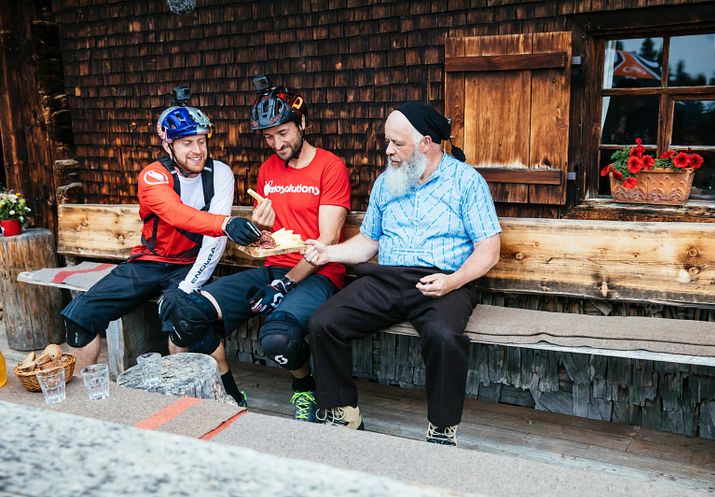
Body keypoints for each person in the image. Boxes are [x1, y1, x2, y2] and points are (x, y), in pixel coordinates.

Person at [304, 102, 502, 446]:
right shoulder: (387, 182)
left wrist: (452, 281)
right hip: (389, 279)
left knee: (443, 336)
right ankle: (343, 412)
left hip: (444, 281)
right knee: (324, 322)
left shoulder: (466, 182)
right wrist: (328, 252)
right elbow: (369, 242)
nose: (388, 150)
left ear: (426, 143)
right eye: (387, 141)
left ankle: (442, 428)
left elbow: (489, 249)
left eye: (397, 143)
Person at [166, 76, 351, 421]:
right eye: (269, 137)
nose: (276, 144)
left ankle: (304, 387)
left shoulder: (330, 167)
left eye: (283, 133)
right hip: (271, 267)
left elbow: (325, 242)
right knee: (188, 311)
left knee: (277, 338)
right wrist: (259, 228)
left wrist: (285, 284)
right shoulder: (268, 170)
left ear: (303, 124)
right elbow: (270, 238)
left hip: (319, 274)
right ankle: (233, 397)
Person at [61, 90, 262, 397]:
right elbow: (176, 214)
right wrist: (225, 224)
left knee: (186, 319)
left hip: (192, 264)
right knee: (80, 317)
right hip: (150, 261)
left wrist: (189, 285)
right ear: (168, 144)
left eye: (201, 141)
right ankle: (76, 399)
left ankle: (226, 396)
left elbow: (213, 244)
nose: (197, 150)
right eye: (186, 143)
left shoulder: (220, 173)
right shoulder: (153, 176)